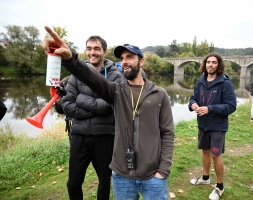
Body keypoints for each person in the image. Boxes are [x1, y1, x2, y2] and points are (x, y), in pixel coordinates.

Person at [43, 26, 175, 200]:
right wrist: (70, 57)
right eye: (122, 58)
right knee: (74, 183)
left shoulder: (160, 95)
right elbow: (89, 76)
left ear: (141, 61)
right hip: (121, 176)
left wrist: (163, 170)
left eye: (130, 57)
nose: (125, 61)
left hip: (153, 177)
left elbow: (167, 133)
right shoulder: (116, 91)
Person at [61, 35, 124, 200]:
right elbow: (67, 105)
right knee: (72, 183)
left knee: (104, 181)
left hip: (104, 137)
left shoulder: (116, 76)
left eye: (96, 49)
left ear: (105, 51)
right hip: (79, 136)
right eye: (89, 48)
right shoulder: (76, 74)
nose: (92, 52)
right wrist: (97, 109)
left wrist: (80, 100)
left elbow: (110, 105)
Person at [188, 52, 236, 200]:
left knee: (216, 154)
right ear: (205, 64)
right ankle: (205, 177)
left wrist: (210, 108)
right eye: (208, 62)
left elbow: (231, 106)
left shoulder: (225, 84)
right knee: (205, 152)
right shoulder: (200, 82)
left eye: (214, 62)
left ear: (219, 65)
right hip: (203, 124)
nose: (210, 65)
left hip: (218, 126)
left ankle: (220, 186)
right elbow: (192, 98)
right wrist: (192, 105)